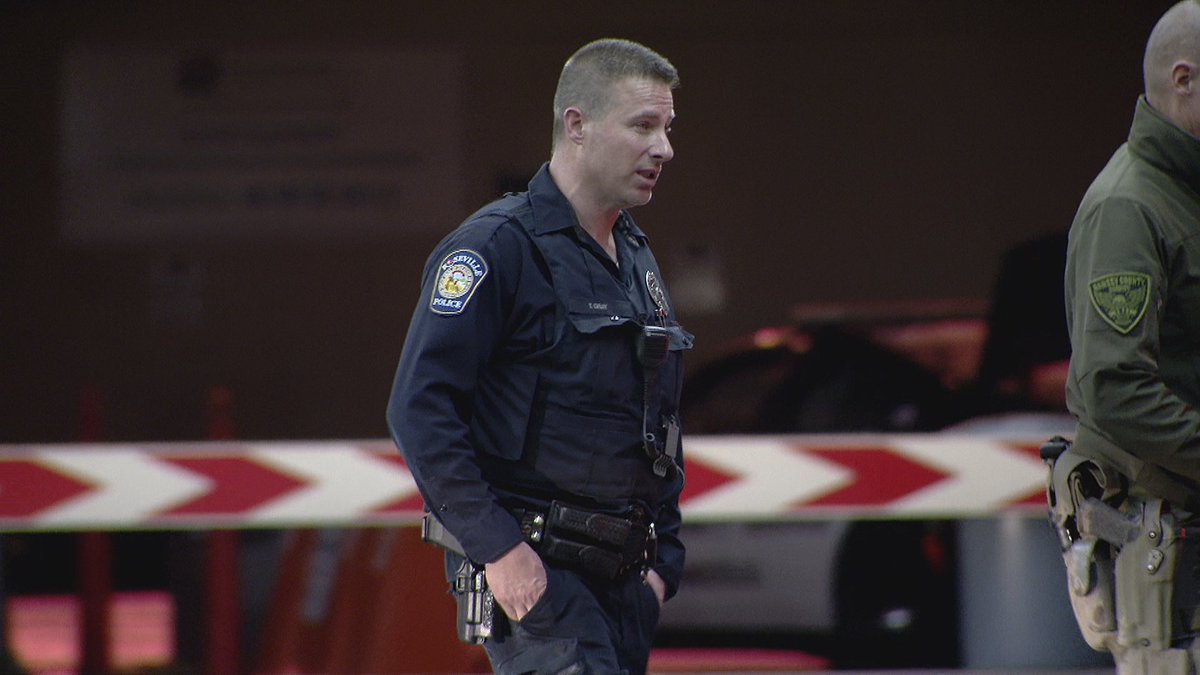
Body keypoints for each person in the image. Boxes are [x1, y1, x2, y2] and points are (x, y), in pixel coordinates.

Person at [386, 38, 691, 674]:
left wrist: (665, 564)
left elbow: (655, 416)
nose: (664, 147)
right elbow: (420, 410)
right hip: (540, 579)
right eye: (643, 125)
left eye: (666, 126)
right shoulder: (494, 249)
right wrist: (499, 550)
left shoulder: (633, 255)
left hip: (624, 583)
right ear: (576, 125)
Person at [1053, 2, 1200, 672]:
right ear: (1184, 79)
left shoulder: (1183, 195)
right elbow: (1115, 389)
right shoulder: (1131, 206)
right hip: (1161, 534)